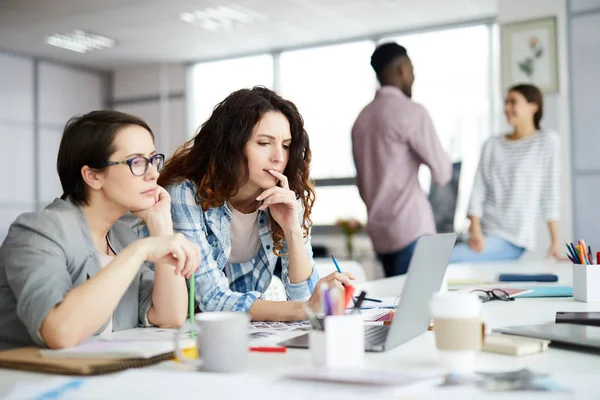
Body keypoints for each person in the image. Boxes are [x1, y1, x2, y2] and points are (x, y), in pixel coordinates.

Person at [0, 111, 200, 350]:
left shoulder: (122, 237)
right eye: (136, 162)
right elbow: (59, 332)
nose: (154, 174)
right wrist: (140, 250)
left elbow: (170, 316)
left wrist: (162, 226)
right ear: (93, 176)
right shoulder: (37, 231)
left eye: (152, 159)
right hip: (31, 382)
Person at [152, 86, 353, 321]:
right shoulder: (185, 195)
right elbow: (213, 300)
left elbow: (304, 297)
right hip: (168, 329)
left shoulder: (283, 196)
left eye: (286, 146)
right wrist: (304, 308)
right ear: (231, 146)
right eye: (264, 143)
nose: (279, 157)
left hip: (236, 329)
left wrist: (292, 230)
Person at [352, 42, 452, 277]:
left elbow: (363, 181)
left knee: (392, 306)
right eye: (412, 70)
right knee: (417, 309)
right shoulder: (412, 112)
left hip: (380, 234)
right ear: (401, 69)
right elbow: (442, 172)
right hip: (411, 230)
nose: (413, 77)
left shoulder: (361, 119)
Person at [450, 84, 563, 262]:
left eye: (513, 102)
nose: (506, 108)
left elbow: (550, 193)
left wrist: (555, 241)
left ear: (533, 106)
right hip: (482, 234)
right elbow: (478, 189)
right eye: (505, 102)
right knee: (432, 255)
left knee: (448, 259)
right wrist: (475, 230)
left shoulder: (546, 141)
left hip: (513, 239)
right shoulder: (492, 144)